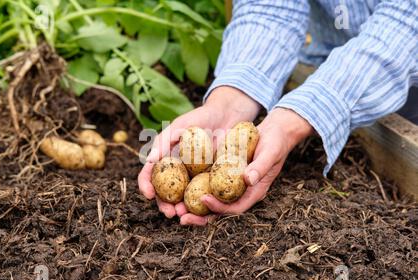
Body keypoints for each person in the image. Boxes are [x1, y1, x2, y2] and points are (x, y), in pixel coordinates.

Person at [138, 0, 418, 226]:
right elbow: (272, 8)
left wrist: (303, 112)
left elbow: (408, 21)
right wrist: (230, 102)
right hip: (320, 65)